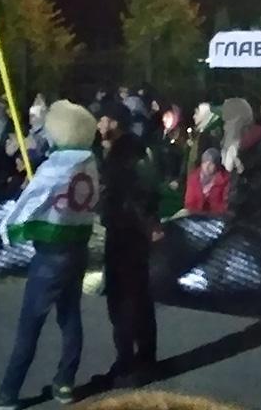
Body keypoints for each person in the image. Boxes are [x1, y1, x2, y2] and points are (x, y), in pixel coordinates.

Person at [0, 101, 102, 409]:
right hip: (78, 247)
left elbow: (30, 202)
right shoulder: (89, 164)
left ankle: (8, 393)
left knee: (30, 324)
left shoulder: (56, 167)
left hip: (51, 254)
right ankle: (65, 383)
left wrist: (9, 229)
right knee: (70, 316)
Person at [97, 101, 160, 385]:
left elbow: (134, 195)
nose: (99, 125)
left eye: (102, 119)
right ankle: (144, 358)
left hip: (125, 232)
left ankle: (127, 362)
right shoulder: (136, 149)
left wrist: (143, 223)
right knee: (138, 297)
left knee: (123, 299)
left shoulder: (123, 154)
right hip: (133, 232)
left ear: (113, 122)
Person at [182, 148, 229, 215]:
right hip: (195, 216)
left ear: (217, 166)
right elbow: (189, 203)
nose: (207, 167)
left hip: (215, 217)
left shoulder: (225, 180)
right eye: (204, 162)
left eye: (211, 164)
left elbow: (225, 205)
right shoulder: (194, 178)